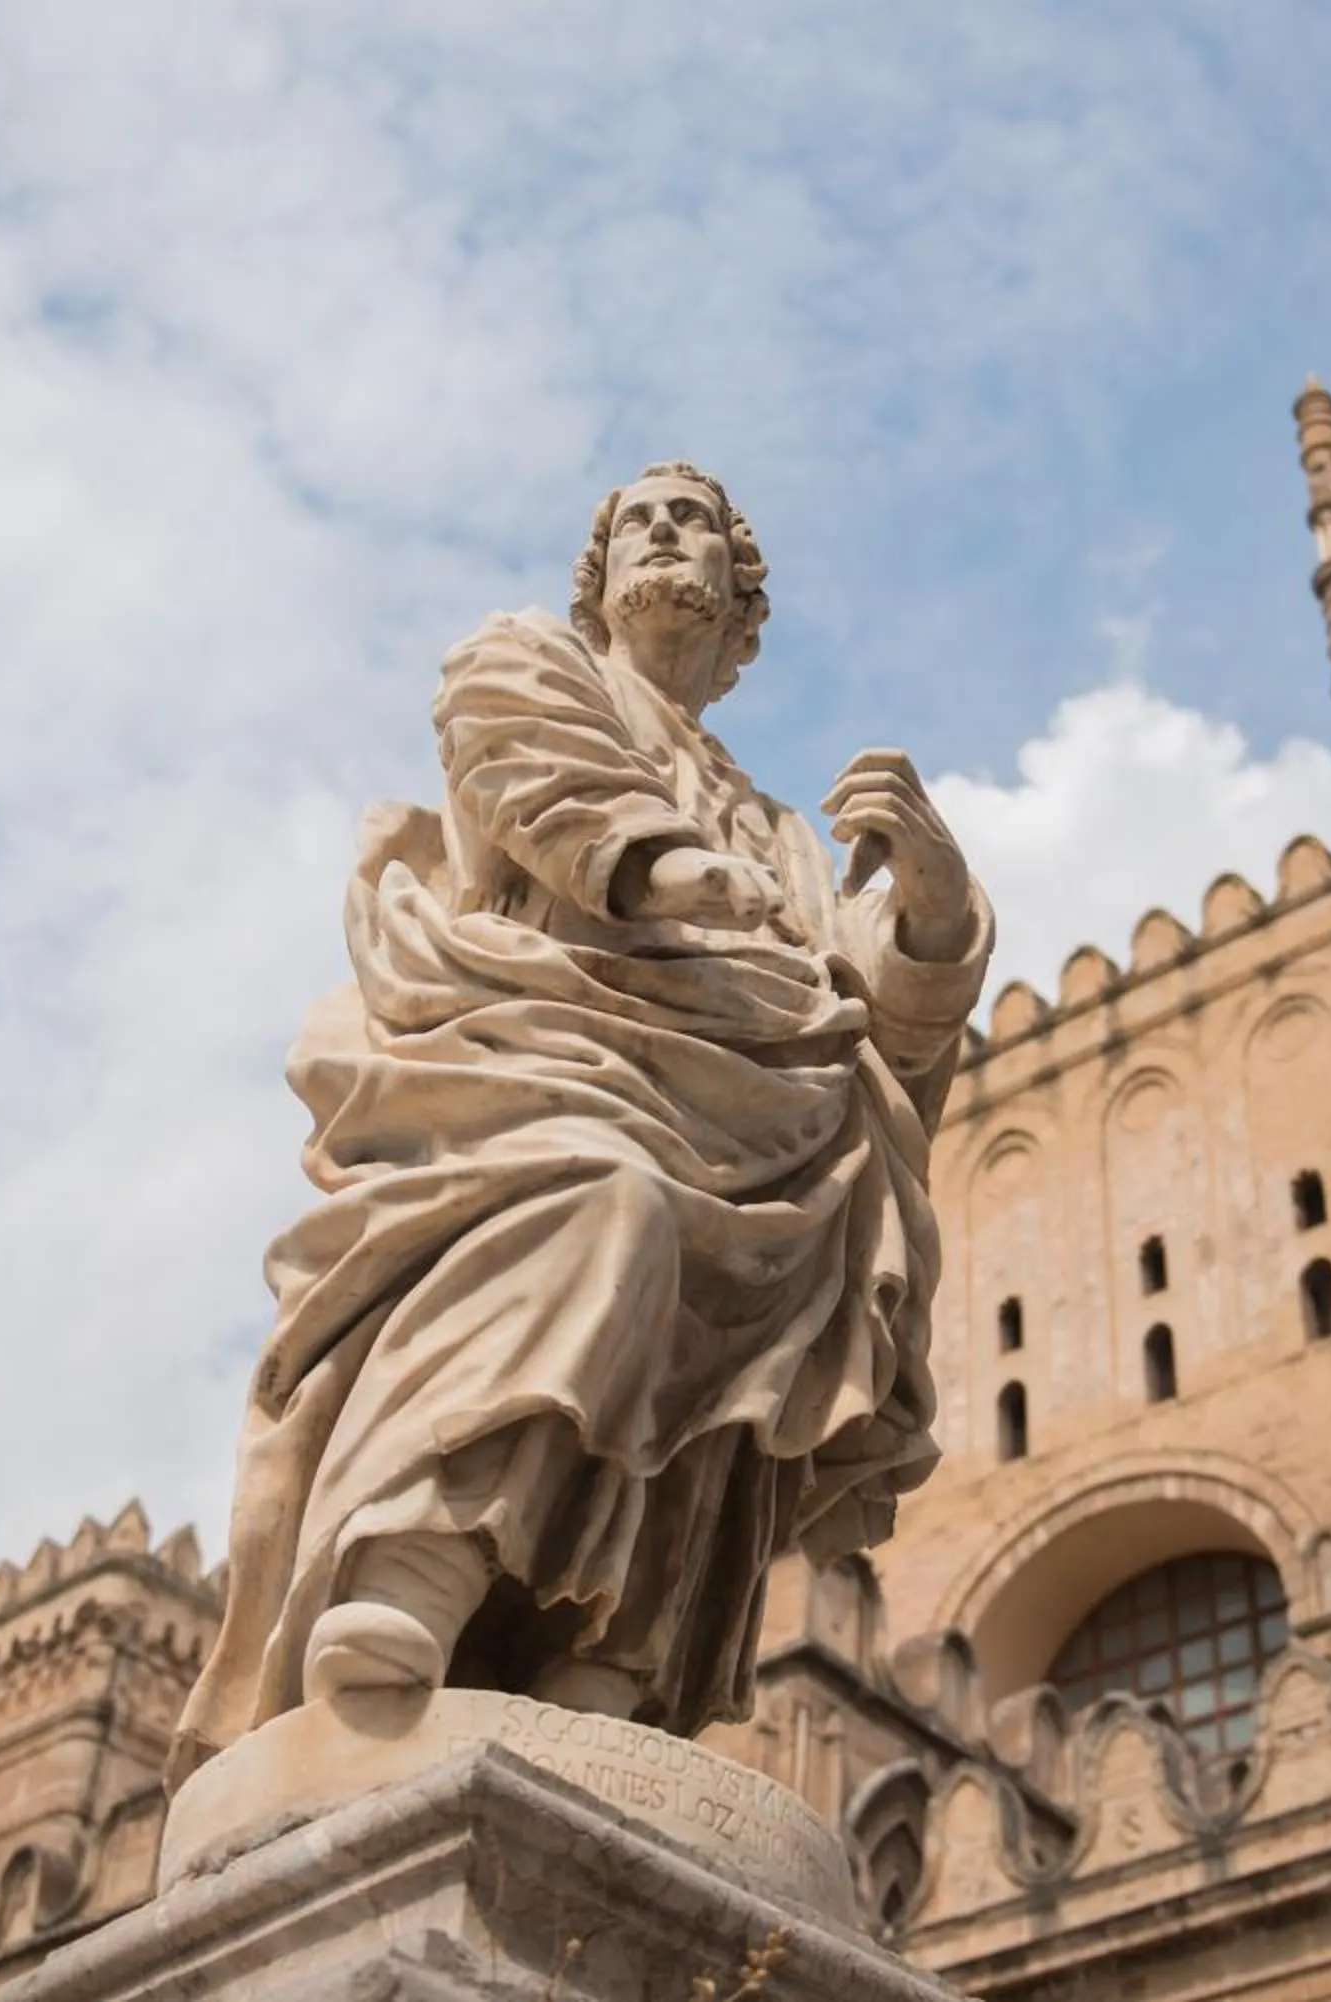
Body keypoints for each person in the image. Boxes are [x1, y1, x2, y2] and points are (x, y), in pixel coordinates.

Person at [173, 462, 990, 1771]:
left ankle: (622, 1656)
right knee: (611, 1193)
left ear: (740, 604)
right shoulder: (531, 661)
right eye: (640, 519)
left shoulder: (781, 831)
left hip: (769, 1106)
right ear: (598, 577)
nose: (667, 532)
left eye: (698, 523)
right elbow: (527, 774)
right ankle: (416, 1559)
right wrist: (666, 868)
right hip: (545, 1044)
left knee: (812, 1218)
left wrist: (938, 913)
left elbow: (882, 1027)